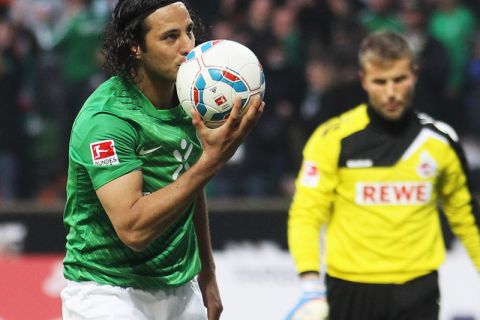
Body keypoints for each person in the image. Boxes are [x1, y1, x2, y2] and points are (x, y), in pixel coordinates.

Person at [60, 1, 264, 320]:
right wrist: (211, 162)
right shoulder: (108, 120)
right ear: (135, 47)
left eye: (189, 31)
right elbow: (134, 230)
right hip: (107, 291)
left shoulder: (192, 101)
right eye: (170, 37)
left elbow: (188, 184)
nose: (188, 46)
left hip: (179, 287)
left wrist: (207, 273)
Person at [286, 31, 480, 320]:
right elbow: (306, 214)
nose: (391, 92)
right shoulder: (332, 139)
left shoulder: (440, 141)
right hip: (349, 288)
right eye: (380, 81)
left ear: (414, 74)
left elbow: (466, 218)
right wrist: (310, 281)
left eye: (399, 79)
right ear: (364, 80)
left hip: (418, 289)